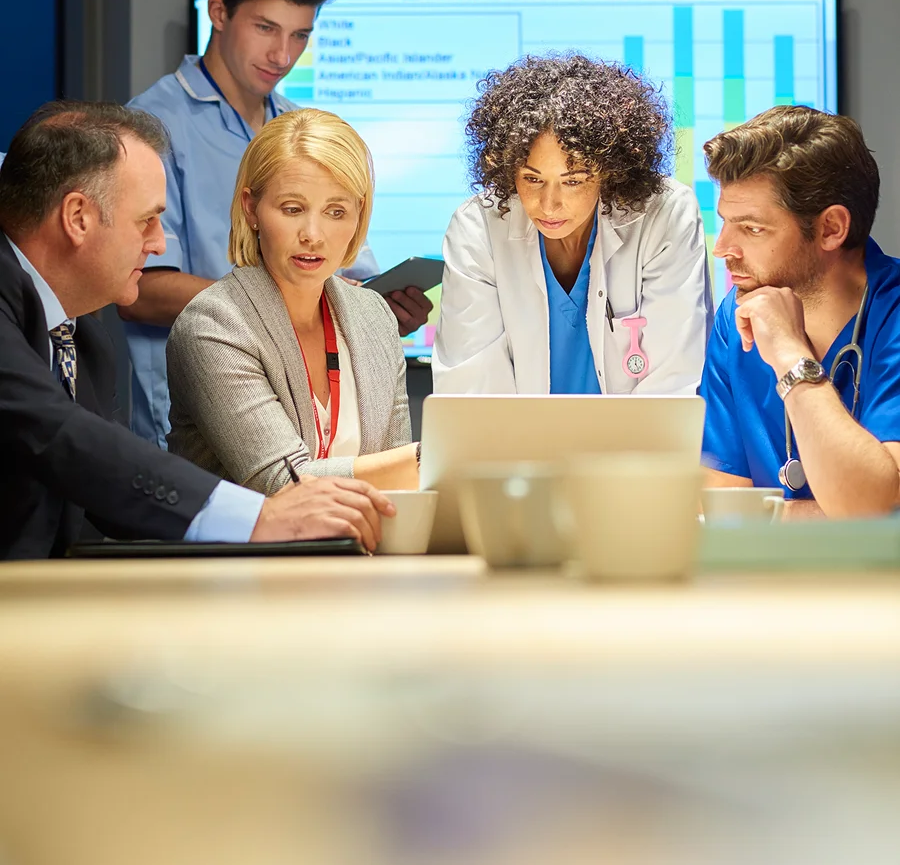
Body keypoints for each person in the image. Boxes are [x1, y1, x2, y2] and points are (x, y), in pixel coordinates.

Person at [0, 101, 394, 560]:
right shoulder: (212, 320)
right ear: (78, 217)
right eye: (146, 220)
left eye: (336, 211)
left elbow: (104, 488)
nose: (159, 243)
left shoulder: (84, 339)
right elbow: (57, 434)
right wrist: (258, 516)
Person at [120, 0, 431, 447]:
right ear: (219, 13)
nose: (283, 55)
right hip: (187, 421)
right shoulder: (150, 128)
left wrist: (380, 311)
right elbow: (138, 288)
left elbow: (349, 273)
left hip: (310, 417)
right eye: (266, 28)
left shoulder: (301, 129)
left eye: (300, 35)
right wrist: (286, 302)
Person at [166, 109, 420, 494]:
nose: (313, 235)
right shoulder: (213, 324)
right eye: (293, 209)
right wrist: (432, 459)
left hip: (363, 549)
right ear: (251, 209)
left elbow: (401, 486)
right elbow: (284, 483)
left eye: (336, 212)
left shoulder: (374, 316)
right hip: (241, 554)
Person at [432, 54, 712, 395]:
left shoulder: (665, 214)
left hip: (638, 443)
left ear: (611, 172)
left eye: (574, 181)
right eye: (532, 179)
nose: (549, 204)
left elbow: (672, 382)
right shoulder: (479, 227)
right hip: (516, 446)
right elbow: (472, 388)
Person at [699, 105, 900, 518]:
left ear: (830, 228)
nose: (722, 249)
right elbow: (724, 508)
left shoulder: (892, 313)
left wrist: (792, 356)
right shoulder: (733, 321)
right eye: (725, 222)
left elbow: (871, 505)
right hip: (771, 581)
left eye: (752, 228)